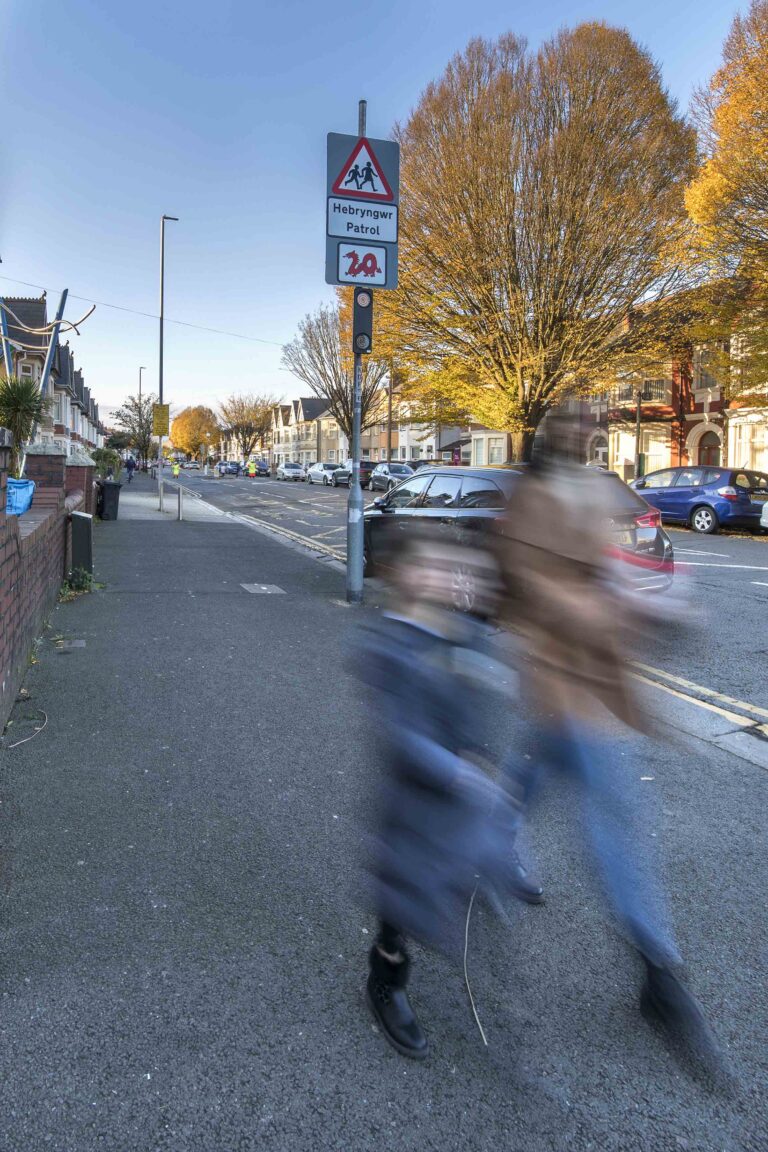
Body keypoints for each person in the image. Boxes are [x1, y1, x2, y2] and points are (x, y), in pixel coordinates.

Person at [495, 409, 722, 1073]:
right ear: (549, 443)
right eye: (573, 439)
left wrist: (654, 600)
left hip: (595, 677)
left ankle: (491, 835)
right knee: (613, 819)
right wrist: (617, 608)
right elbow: (532, 585)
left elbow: (615, 562)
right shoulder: (531, 498)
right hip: (561, 673)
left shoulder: (593, 491)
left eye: (589, 440)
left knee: (537, 769)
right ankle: (658, 973)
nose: (584, 447)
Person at [358, 529, 517, 1060]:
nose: (444, 576)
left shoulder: (457, 631)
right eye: (430, 567)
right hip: (414, 799)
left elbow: (484, 666)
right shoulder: (390, 645)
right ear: (402, 575)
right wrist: (454, 771)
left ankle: (457, 912)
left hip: (458, 788)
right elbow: (400, 732)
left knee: (462, 863)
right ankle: (386, 976)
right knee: (403, 888)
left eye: (450, 568)